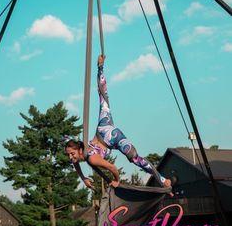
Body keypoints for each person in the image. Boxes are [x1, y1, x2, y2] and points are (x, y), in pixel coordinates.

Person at [65, 55, 172, 192]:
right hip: (103, 128)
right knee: (103, 97)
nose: (70, 157)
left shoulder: (92, 159)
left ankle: (162, 180)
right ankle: (100, 68)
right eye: (69, 155)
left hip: (113, 138)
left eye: (72, 154)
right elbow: (76, 163)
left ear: (80, 150)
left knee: (134, 158)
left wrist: (116, 180)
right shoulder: (81, 153)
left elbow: (112, 168)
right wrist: (83, 177)